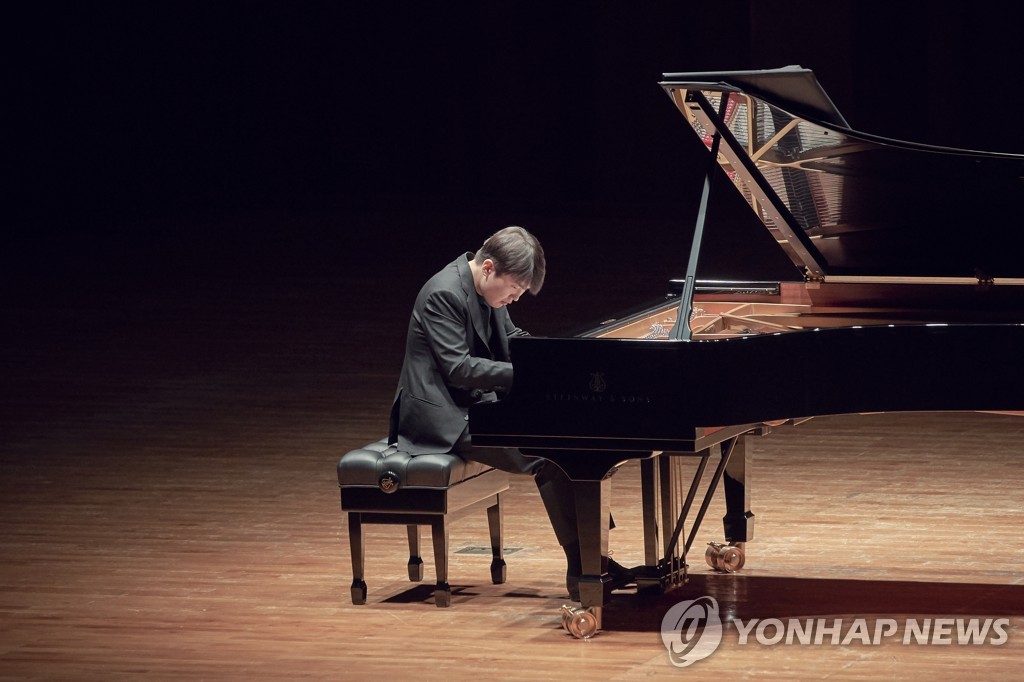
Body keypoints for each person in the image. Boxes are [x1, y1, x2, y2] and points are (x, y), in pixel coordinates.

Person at [388, 226, 630, 600]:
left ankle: (593, 557)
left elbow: (513, 339)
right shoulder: (442, 294)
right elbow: (459, 368)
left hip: (476, 404)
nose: (515, 298)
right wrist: (530, 376)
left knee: (570, 440)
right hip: (443, 419)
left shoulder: (487, 294)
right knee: (547, 455)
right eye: (514, 289)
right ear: (488, 268)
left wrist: (552, 359)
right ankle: (581, 567)